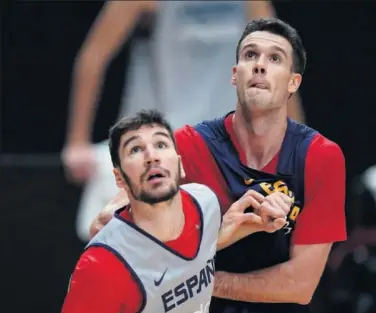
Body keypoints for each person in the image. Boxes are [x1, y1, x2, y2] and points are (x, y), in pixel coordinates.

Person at [89, 19, 347, 313]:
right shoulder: (189, 145)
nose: (259, 64)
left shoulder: (320, 156)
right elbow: (105, 224)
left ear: (293, 83)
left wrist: (194, 279)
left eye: (275, 58)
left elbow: (299, 285)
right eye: (250, 55)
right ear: (234, 74)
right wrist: (118, 214)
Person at [50, 109, 291, 313]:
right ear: (119, 179)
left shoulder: (205, 204)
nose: (151, 155)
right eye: (135, 149)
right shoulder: (101, 268)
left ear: (179, 164)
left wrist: (256, 223)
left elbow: (194, 253)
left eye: (161, 144)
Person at [62, 0, 306, 184]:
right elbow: (94, 57)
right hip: (162, 144)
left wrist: (298, 144)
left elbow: (280, 67)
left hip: (230, 147)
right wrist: (77, 141)